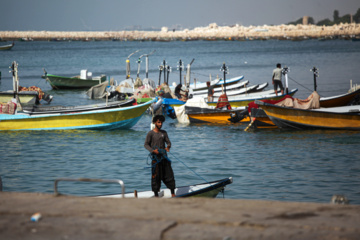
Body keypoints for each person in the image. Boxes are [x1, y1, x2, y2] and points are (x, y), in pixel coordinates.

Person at [144, 115, 176, 197]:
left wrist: (168, 147)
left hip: (164, 158)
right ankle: (156, 195)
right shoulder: (150, 133)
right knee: (156, 178)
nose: (160, 124)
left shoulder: (164, 133)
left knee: (169, 176)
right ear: (155, 123)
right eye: (159, 122)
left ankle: (173, 194)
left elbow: (168, 142)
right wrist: (153, 151)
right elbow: (146, 144)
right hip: (155, 160)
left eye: (161, 122)